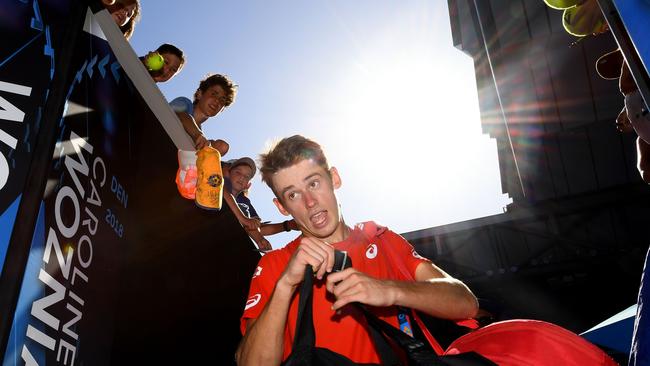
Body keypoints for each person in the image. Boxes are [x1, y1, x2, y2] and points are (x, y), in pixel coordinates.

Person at [235, 135, 478, 365]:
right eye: (293, 194)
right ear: (282, 207)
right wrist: (286, 285)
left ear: (334, 178)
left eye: (314, 183)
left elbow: (466, 302)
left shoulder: (381, 240)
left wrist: (390, 290)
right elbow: (249, 362)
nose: (310, 202)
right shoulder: (276, 265)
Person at [222, 157, 298, 251]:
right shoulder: (223, 184)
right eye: (238, 172)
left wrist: (288, 225)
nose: (242, 177)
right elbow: (223, 191)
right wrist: (244, 219)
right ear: (227, 173)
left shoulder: (245, 203)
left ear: (248, 185)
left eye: (247, 177)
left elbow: (256, 227)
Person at [169, 73, 236, 155]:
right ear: (199, 94)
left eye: (222, 100)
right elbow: (180, 114)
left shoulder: (201, 138)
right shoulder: (185, 102)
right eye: (214, 94)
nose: (217, 101)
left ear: (222, 109)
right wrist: (198, 135)